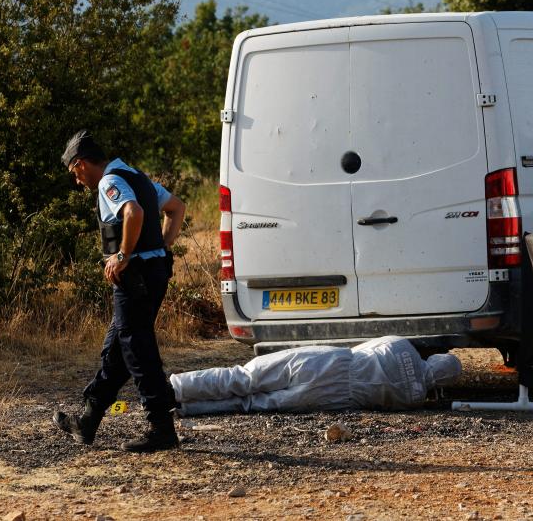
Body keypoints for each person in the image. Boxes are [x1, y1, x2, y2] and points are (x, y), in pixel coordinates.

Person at [53, 130, 186, 452]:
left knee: (137, 347)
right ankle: (88, 420)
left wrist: (124, 255)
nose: (77, 181)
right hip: (153, 270)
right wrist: (161, 247)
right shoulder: (135, 175)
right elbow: (176, 208)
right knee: (118, 347)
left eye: (74, 173)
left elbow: (133, 213)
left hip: (135, 276)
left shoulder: (110, 182)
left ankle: (161, 428)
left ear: (81, 164)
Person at [170, 336, 462, 416]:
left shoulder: (403, 346)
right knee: (250, 405)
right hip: (336, 398)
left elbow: (365, 347)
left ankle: (175, 388)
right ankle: (187, 408)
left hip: (330, 361)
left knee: (244, 377)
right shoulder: (413, 399)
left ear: (435, 359)